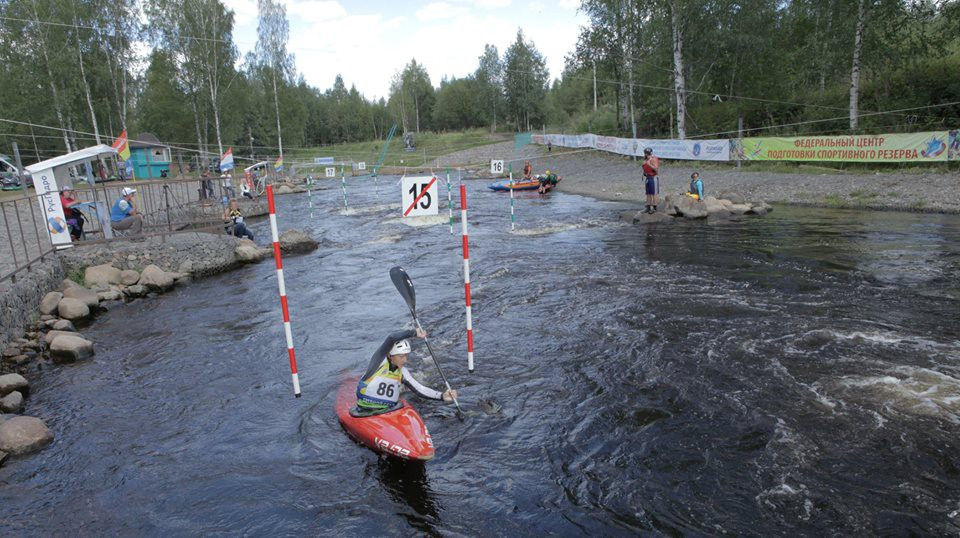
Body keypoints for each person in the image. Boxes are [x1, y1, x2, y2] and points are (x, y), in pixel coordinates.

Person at [355, 328, 458, 413]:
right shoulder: (378, 363)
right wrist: (413, 333)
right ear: (390, 356)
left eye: (406, 356)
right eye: (401, 356)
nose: (405, 360)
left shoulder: (403, 372)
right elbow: (391, 338)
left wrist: (442, 396)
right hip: (364, 410)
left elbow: (419, 389)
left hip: (388, 411)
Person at [641, 147, 660, 213]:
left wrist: (649, 164)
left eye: (647, 154)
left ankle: (655, 207)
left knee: (654, 193)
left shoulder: (653, 159)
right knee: (648, 193)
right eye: (646, 153)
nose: (646, 155)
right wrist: (644, 172)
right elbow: (644, 167)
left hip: (653, 177)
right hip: (648, 177)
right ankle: (648, 207)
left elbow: (656, 169)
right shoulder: (645, 159)